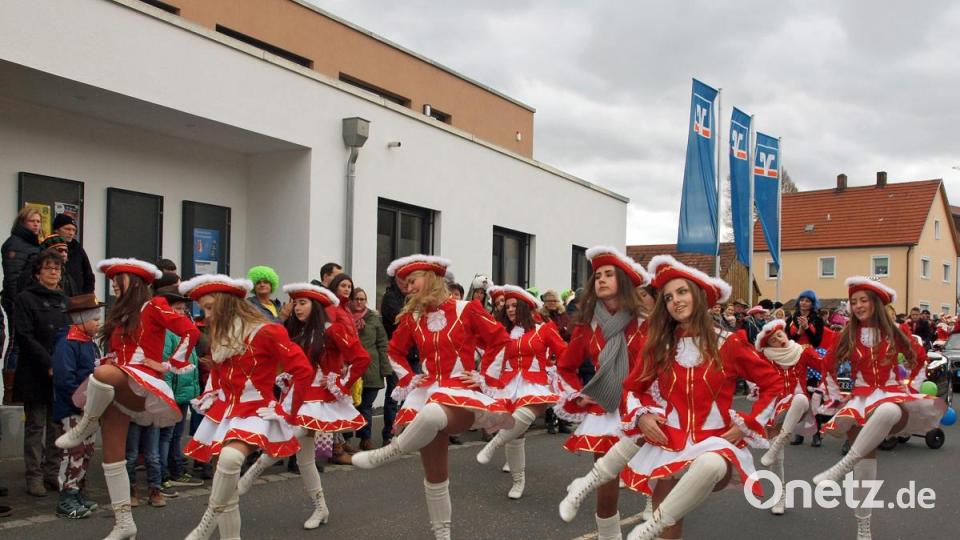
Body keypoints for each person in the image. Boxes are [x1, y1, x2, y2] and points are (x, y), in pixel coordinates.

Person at [562, 254, 782, 540]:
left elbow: (773, 383)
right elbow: (632, 388)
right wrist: (642, 416)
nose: (675, 301)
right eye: (667, 297)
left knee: (710, 463)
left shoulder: (729, 343)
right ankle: (636, 512)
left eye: (682, 292)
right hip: (671, 441)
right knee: (670, 526)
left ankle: (649, 528)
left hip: (714, 442)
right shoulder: (662, 346)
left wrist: (748, 424)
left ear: (699, 296)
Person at [351, 254, 511, 539]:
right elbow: (394, 351)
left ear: (431, 278)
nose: (408, 288)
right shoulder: (413, 318)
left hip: (460, 391)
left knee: (433, 413)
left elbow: (499, 340)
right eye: (405, 284)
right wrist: (409, 378)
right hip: (428, 391)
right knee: (435, 476)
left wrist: (484, 376)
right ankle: (442, 534)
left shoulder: (466, 309)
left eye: (412, 281)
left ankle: (390, 452)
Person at [55, 258, 199, 540]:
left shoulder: (154, 305)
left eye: (117, 279)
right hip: (118, 382)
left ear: (133, 281)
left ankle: (86, 424)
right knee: (112, 455)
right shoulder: (120, 313)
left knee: (102, 373)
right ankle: (124, 524)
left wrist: (168, 364)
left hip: (142, 381)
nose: (112, 285)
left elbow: (190, 331)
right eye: (111, 280)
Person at [180, 274, 313, 539]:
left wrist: (287, 411)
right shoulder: (221, 334)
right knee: (225, 483)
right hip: (225, 411)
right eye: (203, 309)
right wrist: (212, 393)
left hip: (256, 410)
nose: (206, 315)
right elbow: (219, 370)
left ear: (227, 304)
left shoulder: (267, 331)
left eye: (210, 307)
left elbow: (303, 370)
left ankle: (205, 526)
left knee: (230, 459)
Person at [814, 277, 946, 540]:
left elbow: (919, 358)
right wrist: (839, 395)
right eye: (853, 302)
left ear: (876, 303)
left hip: (891, 394)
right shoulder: (847, 335)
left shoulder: (896, 332)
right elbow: (827, 364)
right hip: (859, 401)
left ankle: (842, 467)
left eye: (863, 300)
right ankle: (863, 525)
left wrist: (911, 387)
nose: (858, 306)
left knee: (889, 410)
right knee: (866, 462)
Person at [236, 282, 370, 529]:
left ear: (315, 306)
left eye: (302, 303)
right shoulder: (296, 332)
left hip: (318, 400)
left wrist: (341, 383)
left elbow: (361, 358)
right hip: (295, 396)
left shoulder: (333, 330)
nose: (297, 308)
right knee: (304, 461)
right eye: (295, 303)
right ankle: (321, 509)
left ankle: (248, 477)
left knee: (287, 436)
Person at [553, 246, 651, 540]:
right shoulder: (587, 326)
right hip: (606, 409)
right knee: (606, 485)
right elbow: (565, 366)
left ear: (624, 281)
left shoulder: (646, 322)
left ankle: (653, 506)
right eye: (597, 276)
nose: (602, 280)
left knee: (658, 471)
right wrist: (579, 394)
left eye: (609, 274)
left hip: (645, 406)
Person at [476, 285, 566, 499]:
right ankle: (518, 481)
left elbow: (563, 352)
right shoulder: (503, 332)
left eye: (514, 305)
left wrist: (565, 375)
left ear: (525, 307)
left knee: (521, 417)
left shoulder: (543, 329)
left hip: (535, 383)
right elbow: (489, 352)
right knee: (516, 436)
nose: (509, 309)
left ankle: (493, 445)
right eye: (507, 306)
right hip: (509, 386)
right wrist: (482, 378)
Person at [13, 250, 69, 497]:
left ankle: (52, 473)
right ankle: (34, 476)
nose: (53, 272)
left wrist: (63, 363)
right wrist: (48, 361)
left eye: (57, 268)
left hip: (60, 369)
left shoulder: (65, 300)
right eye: (48, 268)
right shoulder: (25, 299)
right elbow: (24, 335)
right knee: (35, 425)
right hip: (34, 370)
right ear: (37, 273)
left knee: (56, 425)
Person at [753, 319, 822, 515]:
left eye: (780, 335)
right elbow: (749, 373)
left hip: (798, 406)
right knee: (777, 458)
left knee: (799, 398)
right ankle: (780, 496)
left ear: (785, 333)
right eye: (774, 340)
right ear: (768, 345)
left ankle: (779, 442)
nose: (780, 340)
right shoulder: (764, 358)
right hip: (774, 408)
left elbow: (824, 366)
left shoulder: (801, 351)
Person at [52, 293, 103, 519]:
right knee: (73, 451)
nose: (98, 323)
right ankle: (66, 496)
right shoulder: (68, 343)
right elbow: (65, 379)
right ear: (81, 319)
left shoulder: (89, 343)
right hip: (72, 410)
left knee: (87, 450)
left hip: (89, 408)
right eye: (95, 319)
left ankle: (78, 489)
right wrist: (82, 402)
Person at [155, 277, 204, 494]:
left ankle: (176, 469)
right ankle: (164, 474)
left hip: (183, 391)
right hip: (171, 393)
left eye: (184, 309)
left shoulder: (184, 329)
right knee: (166, 435)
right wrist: (166, 394)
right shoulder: (167, 332)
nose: (182, 313)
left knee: (176, 434)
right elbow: (164, 364)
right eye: (177, 309)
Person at [349, 287, 391, 450]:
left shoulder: (374, 319)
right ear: (351, 300)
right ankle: (345, 440)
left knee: (365, 405)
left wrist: (385, 369)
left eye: (362, 299)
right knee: (348, 405)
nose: (359, 302)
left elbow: (382, 344)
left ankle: (365, 438)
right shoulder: (344, 317)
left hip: (371, 369)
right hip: (351, 368)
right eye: (356, 299)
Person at [380, 272, 418, 444]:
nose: (406, 283)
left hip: (415, 354)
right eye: (402, 279)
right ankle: (389, 434)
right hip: (398, 355)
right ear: (395, 279)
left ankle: (406, 432)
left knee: (413, 395)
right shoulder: (390, 297)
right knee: (394, 395)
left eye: (409, 280)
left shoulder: (413, 297)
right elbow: (400, 319)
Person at [1, 207, 42, 321]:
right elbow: (12, 277)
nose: (36, 224)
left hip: (31, 299)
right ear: (22, 222)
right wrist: (16, 302)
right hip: (20, 301)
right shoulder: (15, 244)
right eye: (32, 221)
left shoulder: (33, 244)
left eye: (38, 221)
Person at [53, 214, 94, 294]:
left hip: (77, 297)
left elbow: (88, 274)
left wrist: (87, 294)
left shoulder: (77, 248)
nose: (71, 233)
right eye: (67, 229)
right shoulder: (47, 246)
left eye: (74, 230)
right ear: (56, 230)